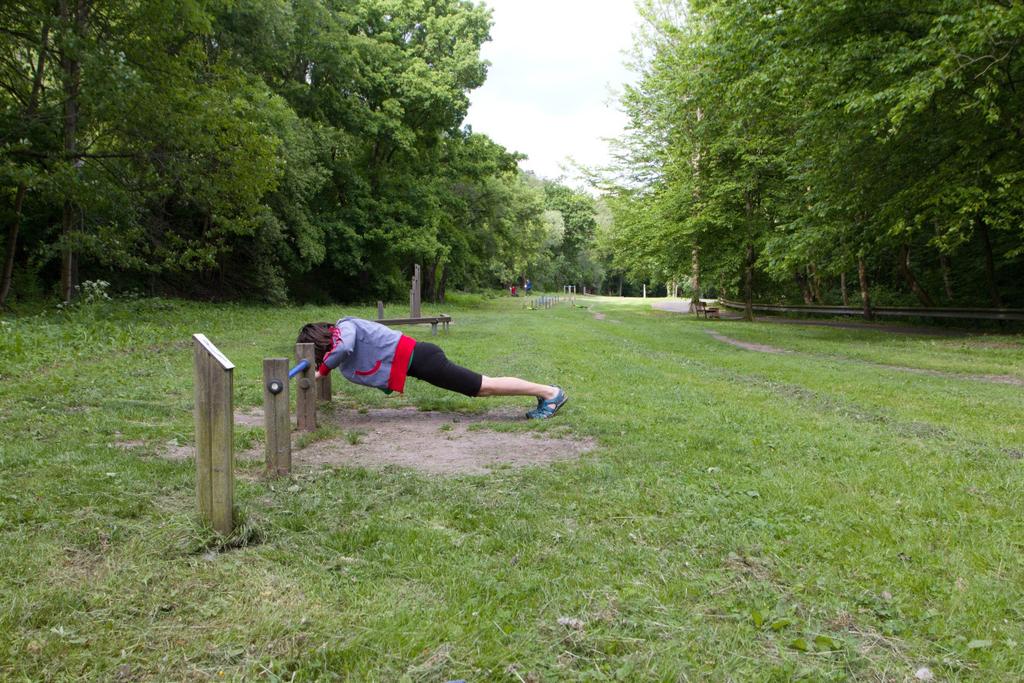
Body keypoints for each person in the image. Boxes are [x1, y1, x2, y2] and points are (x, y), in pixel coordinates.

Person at [297, 318, 568, 419]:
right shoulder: (345, 366)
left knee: (484, 386)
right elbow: (383, 385)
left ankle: (550, 392)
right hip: (421, 366)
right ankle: (545, 393)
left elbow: (343, 347)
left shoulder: (346, 326)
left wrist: (322, 372)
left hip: (424, 357)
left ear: (321, 341)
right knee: (483, 387)